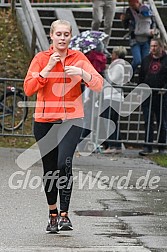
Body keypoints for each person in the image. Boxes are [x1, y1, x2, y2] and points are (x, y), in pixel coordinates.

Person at [24, 19, 103, 233]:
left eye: (66, 34)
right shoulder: (41, 58)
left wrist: (82, 74)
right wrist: (47, 69)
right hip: (44, 121)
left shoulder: (78, 58)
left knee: (63, 163)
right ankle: (53, 214)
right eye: (58, 34)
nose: (62, 38)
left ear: (70, 37)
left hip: (71, 120)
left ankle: (65, 215)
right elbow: (28, 89)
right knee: (50, 169)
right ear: (51, 36)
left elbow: (98, 84)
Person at [138, 38, 167, 156]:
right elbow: (141, 76)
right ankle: (147, 146)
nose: (153, 49)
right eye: (152, 46)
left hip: (161, 96)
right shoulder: (146, 60)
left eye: (155, 46)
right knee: (148, 121)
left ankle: (161, 146)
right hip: (147, 95)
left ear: (161, 47)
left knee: (162, 121)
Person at [101, 46, 128, 154]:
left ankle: (113, 145)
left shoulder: (118, 66)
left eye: (113, 53)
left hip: (113, 97)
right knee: (112, 121)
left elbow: (112, 80)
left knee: (108, 120)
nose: (111, 55)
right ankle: (116, 144)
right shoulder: (116, 66)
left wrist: (106, 72)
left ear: (116, 54)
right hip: (111, 96)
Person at [120, 0, 156, 75]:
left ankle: (142, 79)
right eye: (130, 4)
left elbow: (153, 21)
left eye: (133, 4)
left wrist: (153, 30)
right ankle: (129, 74)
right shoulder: (129, 11)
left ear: (137, 2)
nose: (131, 6)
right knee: (137, 60)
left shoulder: (147, 8)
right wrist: (123, 20)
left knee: (145, 62)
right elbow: (125, 26)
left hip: (146, 39)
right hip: (135, 39)